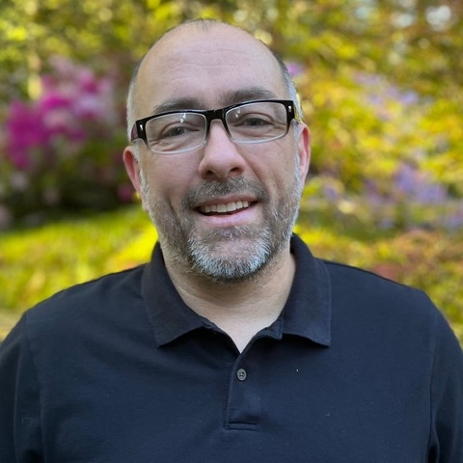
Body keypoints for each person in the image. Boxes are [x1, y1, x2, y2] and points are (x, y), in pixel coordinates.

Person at [0, 18, 462, 463]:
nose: (220, 158)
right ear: (137, 173)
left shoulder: (413, 339)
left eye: (254, 120)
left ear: (301, 153)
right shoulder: (47, 354)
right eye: (177, 128)